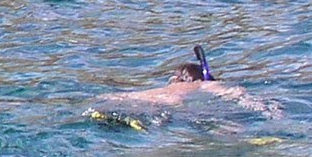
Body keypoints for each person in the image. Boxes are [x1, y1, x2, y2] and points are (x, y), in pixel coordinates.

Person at [90, 45, 280, 123]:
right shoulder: (204, 85)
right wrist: (270, 111)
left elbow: (113, 96)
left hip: (136, 102)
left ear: (174, 79)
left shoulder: (164, 89)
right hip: (174, 111)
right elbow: (240, 96)